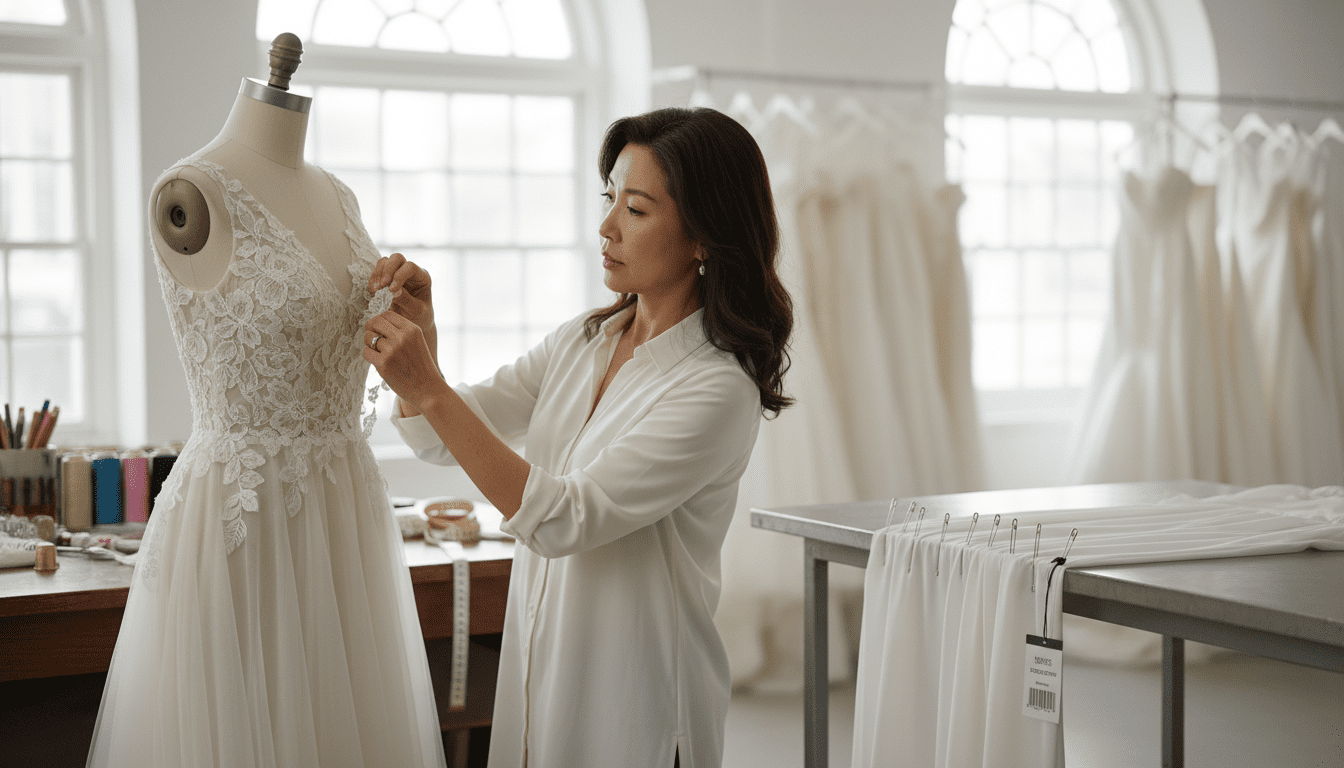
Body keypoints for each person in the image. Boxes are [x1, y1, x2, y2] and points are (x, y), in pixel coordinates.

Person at [363, 107, 793, 768]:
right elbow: (442, 438)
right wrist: (428, 349)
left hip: (640, 705)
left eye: (637, 209)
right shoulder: (584, 339)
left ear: (705, 237)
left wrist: (431, 388)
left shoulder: (716, 388)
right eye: (609, 197)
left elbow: (564, 518)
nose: (607, 226)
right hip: (544, 674)